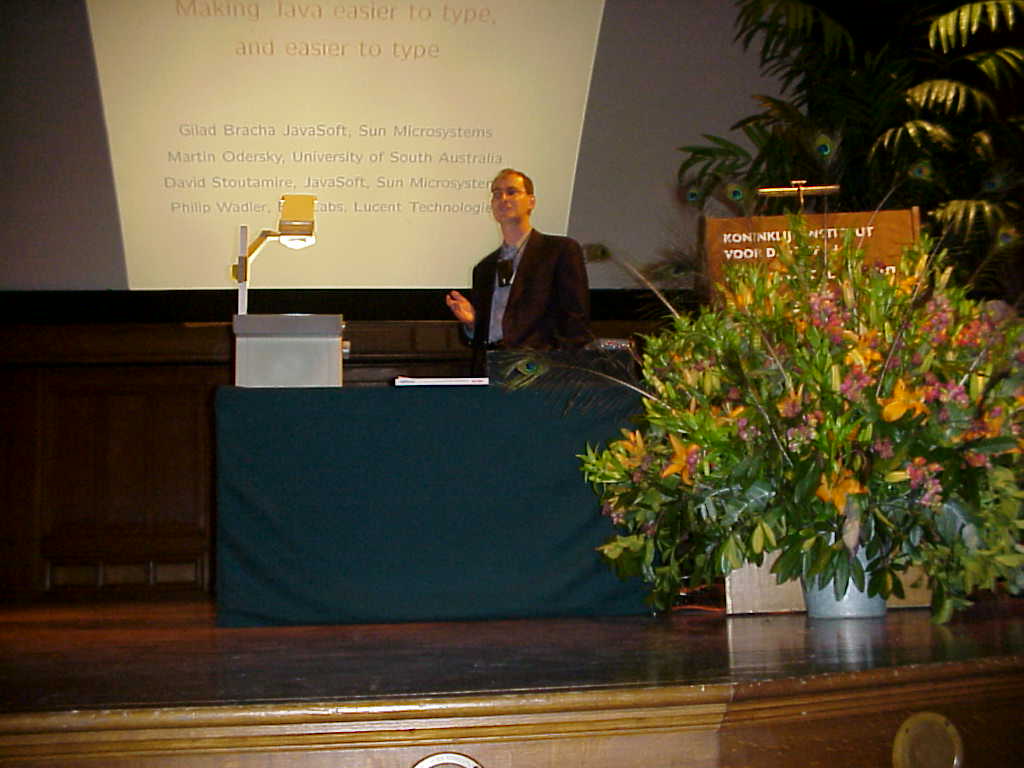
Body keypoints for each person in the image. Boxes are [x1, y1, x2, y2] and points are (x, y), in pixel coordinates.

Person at [445, 169, 593, 364]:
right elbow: (483, 336)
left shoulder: (559, 251)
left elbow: (575, 318)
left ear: (531, 201)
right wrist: (472, 323)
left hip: (541, 367)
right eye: (496, 194)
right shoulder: (484, 268)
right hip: (493, 365)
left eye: (511, 192)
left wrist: (563, 368)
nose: (503, 198)